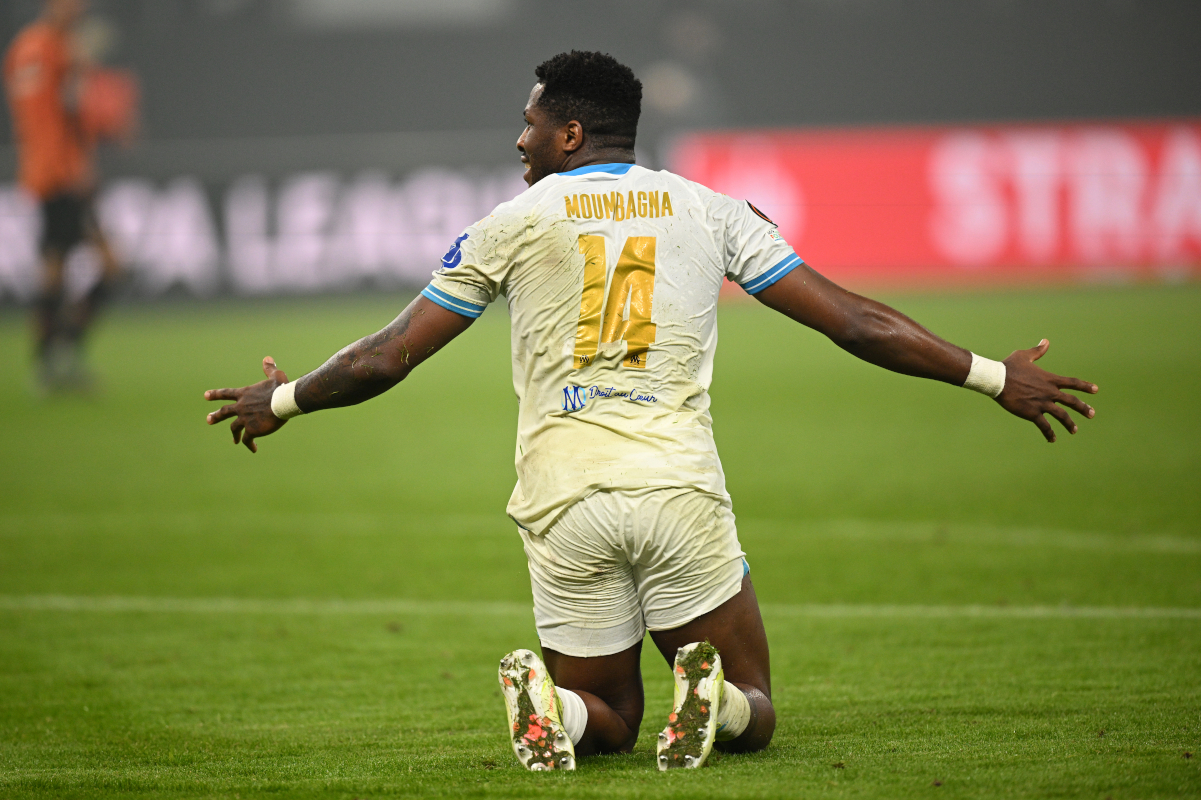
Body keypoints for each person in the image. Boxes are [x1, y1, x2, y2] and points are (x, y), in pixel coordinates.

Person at [204, 51, 1098, 772]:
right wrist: (989, 376)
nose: (519, 140)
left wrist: (281, 400)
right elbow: (858, 322)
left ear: (570, 131)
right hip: (676, 489)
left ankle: (557, 709)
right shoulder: (709, 211)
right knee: (757, 704)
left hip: (561, 501)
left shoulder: (510, 224)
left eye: (529, 123)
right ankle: (717, 702)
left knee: (612, 719)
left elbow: (384, 356)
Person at [4, 0, 122, 393]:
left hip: (61, 172)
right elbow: (39, 117)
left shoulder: (61, 47)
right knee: (68, 264)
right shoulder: (37, 49)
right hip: (55, 177)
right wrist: (68, 168)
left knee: (76, 263)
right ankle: (52, 363)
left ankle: (56, 359)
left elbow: (74, 113)